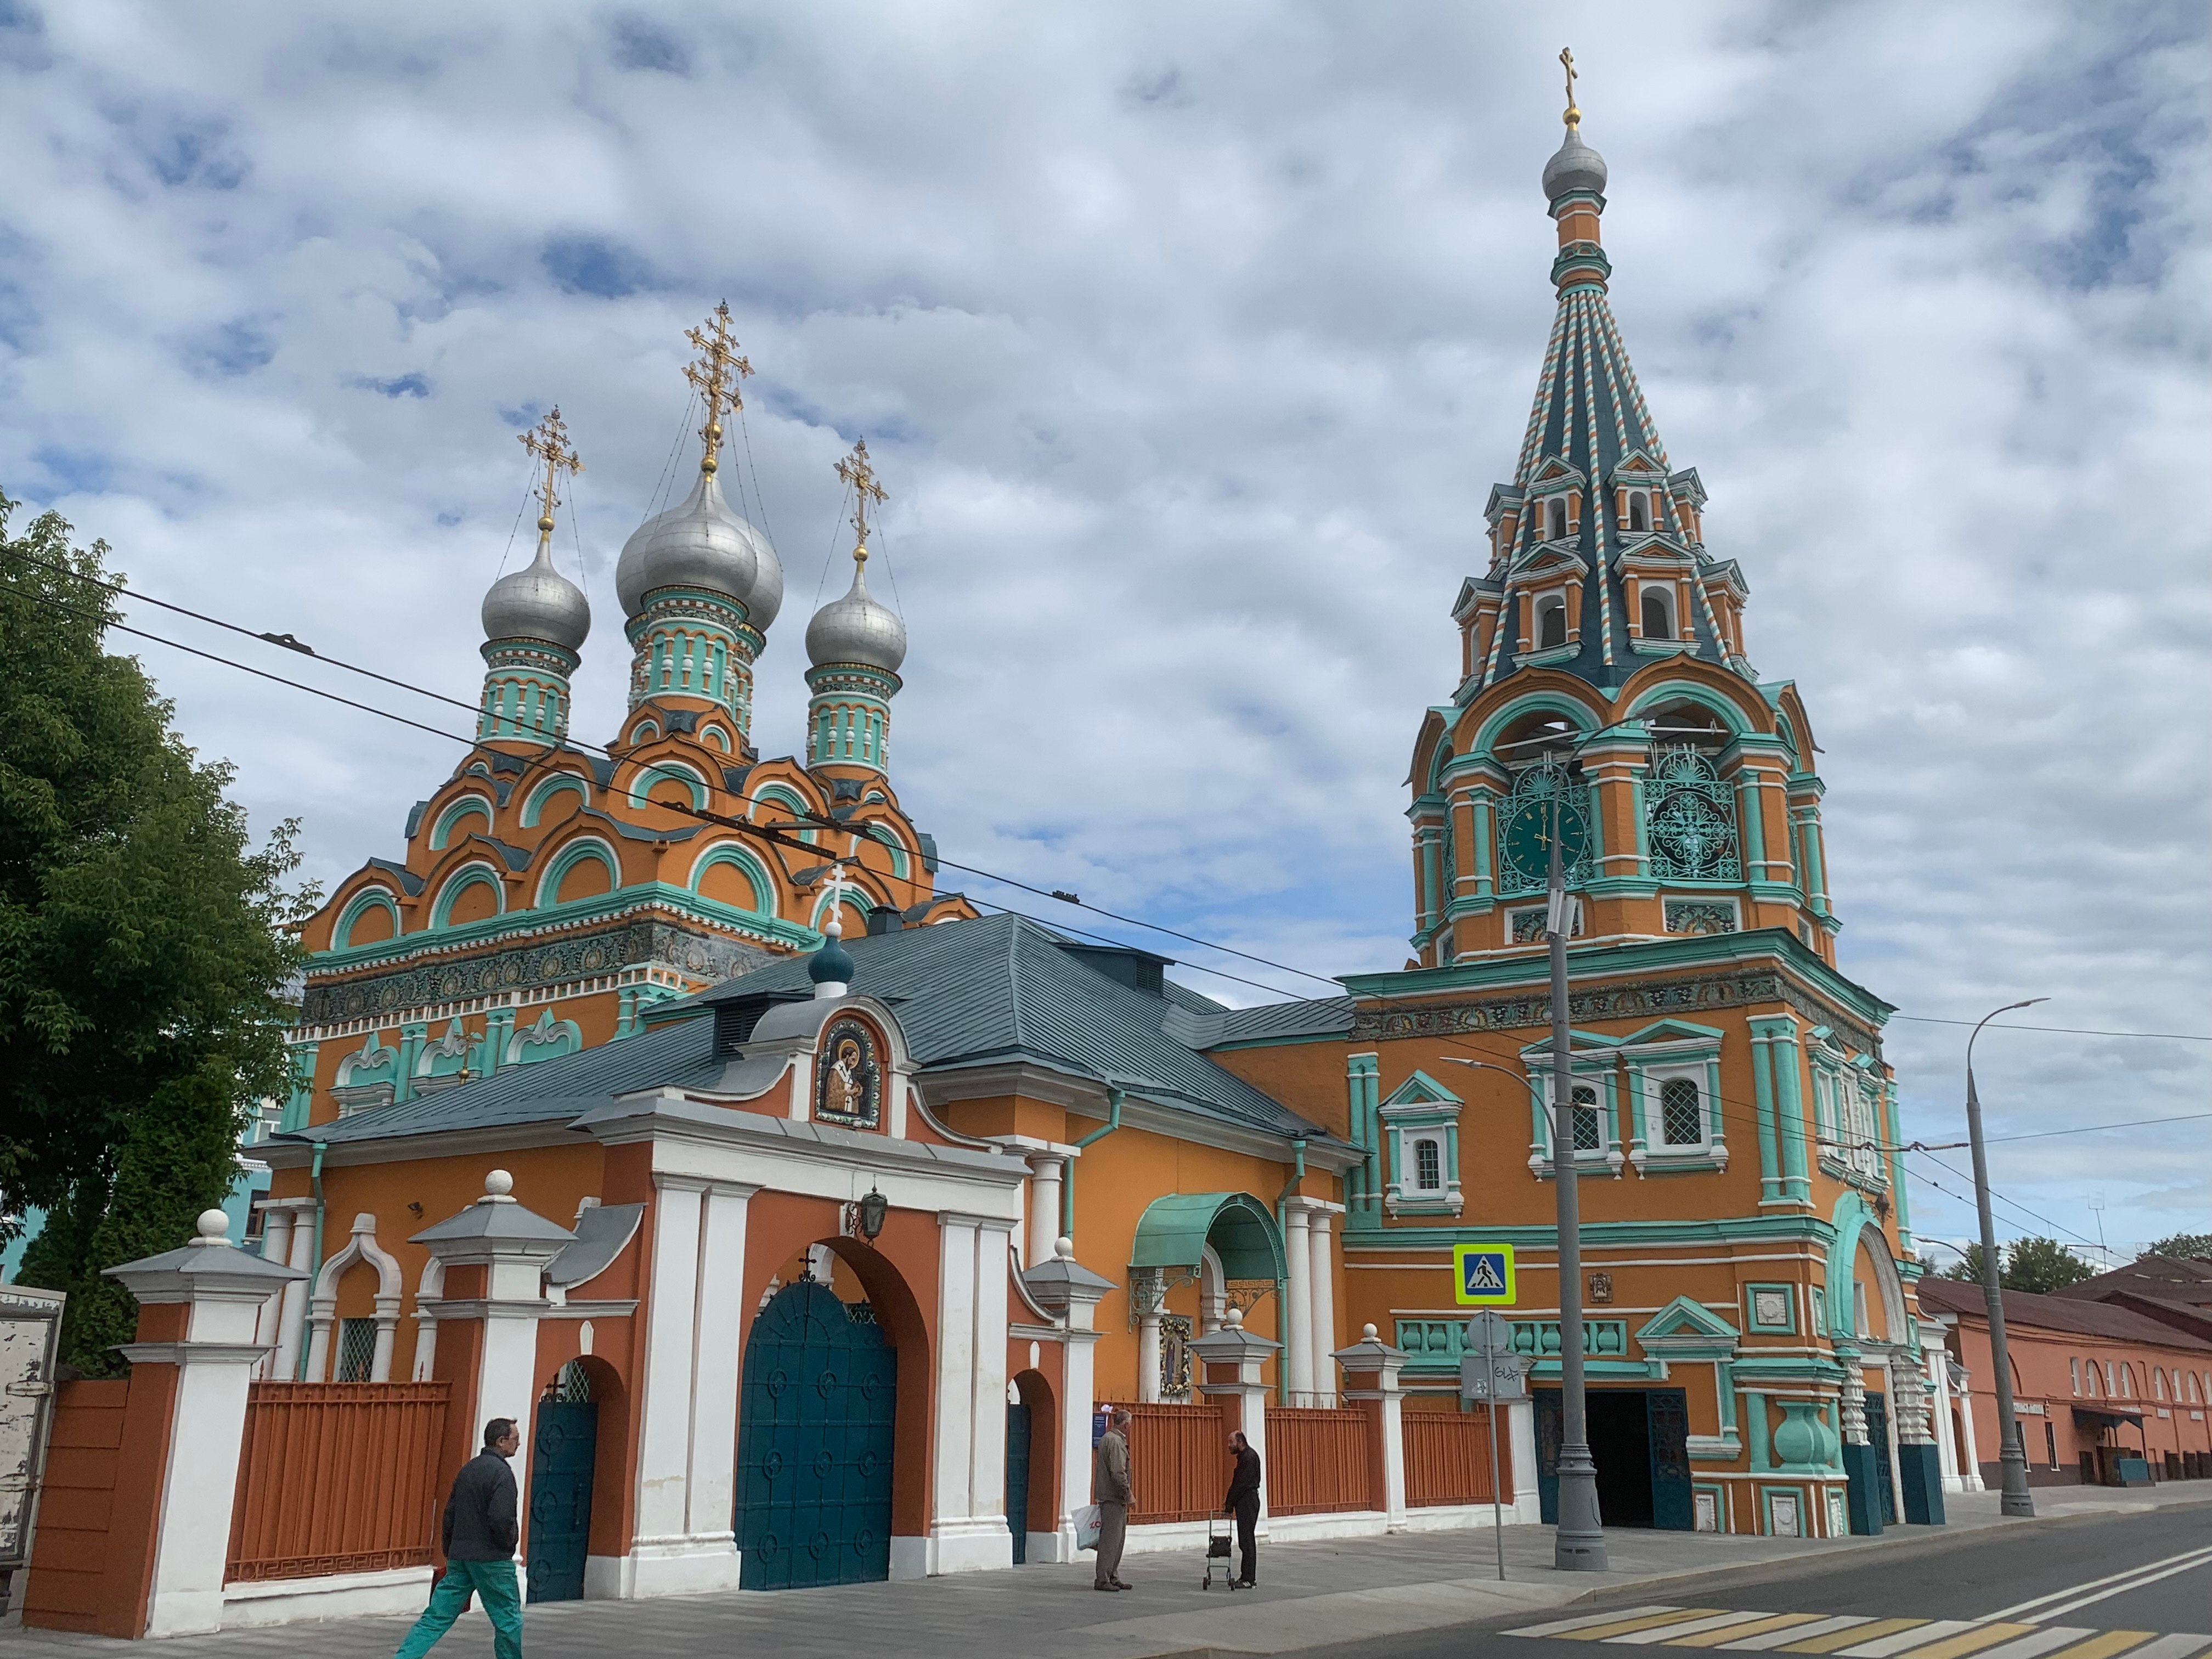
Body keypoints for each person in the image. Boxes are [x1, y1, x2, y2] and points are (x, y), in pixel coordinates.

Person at [395, 1418, 524, 1659]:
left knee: (436, 1617)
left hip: (460, 1558)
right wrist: (507, 1547)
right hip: (493, 1561)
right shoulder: (503, 1474)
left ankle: (404, 1657)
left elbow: (450, 1513)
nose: (519, 1444)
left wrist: (450, 1548)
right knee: (508, 1621)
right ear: (501, 1441)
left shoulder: (468, 1470)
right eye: (515, 1440)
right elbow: (501, 1519)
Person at [1092, 1406, 1133, 1591]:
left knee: (1116, 1539)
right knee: (1111, 1540)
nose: (1130, 1427)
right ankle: (1103, 1578)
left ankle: (1112, 1575)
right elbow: (1118, 1472)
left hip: (1110, 1497)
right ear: (1125, 1425)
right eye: (1130, 1424)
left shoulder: (1107, 1439)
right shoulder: (1116, 1442)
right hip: (1113, 1497)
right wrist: (1128, 1494)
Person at [1223, 1429, 1262, 1588]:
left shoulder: (1249, 1458)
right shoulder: (1245, 1458)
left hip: (1248, 1502)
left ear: (1240, 1442)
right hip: (1246, 1501)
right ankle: (1246, 1576)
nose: (1229, 1446)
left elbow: (1240, 1485)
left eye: (1231, 1442)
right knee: (1245, 1540)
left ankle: (1249, 1578)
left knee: (1247, 1540)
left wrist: (1229, 1505)